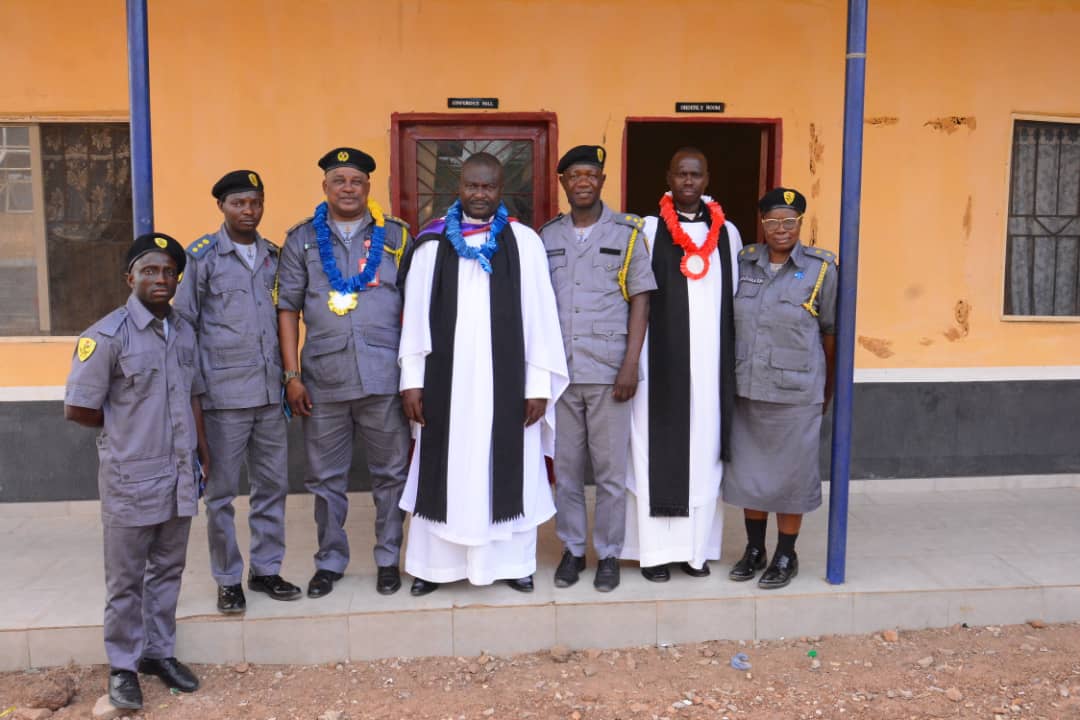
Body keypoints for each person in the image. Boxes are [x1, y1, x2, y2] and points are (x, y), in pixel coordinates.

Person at [397, 152, 569, 596]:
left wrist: (538, 385)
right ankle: (433, 567)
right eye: (471, 186)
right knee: (443, 470)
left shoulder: (525, 242)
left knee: (511, 469)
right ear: (459, 188)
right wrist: (412, 381)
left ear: (500, 190)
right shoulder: (432, 242)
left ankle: (514, 564)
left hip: (509, 386)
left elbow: (540, 317)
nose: (479, 194)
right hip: (446, 385)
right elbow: (415, 317)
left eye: (488, 187)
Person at [64, 233, 209, 711]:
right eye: (149, 271)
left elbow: (193, 395)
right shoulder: (106, 336)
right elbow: (79, 408)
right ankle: (123, 667)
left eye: (168, 272)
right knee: (126, 581)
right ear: (130, 278)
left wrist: (202, 451)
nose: (160, 279)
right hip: (131, 477)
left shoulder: (184, 331)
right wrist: (127, 429)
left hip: (180, 473)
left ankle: (158, 653)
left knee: (168, 569)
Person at [276, 147, 413, 598]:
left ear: (368, 187)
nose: (348, 188)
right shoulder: (302, 239)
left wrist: (415, 376)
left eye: (356, 181)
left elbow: (417, 307)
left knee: (391, 475)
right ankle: (330, 561)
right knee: (325, 479)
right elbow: (287, 308)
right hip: (324, 379)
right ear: (325, 187)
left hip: (383, 377)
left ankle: (388, 559)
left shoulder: (396, 236)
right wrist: (291, 375)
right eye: (339, 180)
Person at [173, 170, 301, 614]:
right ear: (222, 207)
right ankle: (228, 579)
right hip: (223, 399)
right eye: (239, 203)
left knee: (273, 488)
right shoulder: (202, 258)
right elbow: (184, 326)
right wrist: (194, 393)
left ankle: (266, 570)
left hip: (269, 397)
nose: (248, 211)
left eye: (255, 202)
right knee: (221, 496)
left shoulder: (273, 257)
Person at [621, 147, 743, 581]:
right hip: (658, 361)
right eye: (681, 174)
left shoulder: (727, 233)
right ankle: (653, 553)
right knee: (651, 451)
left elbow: (735, 298)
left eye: (696, 174)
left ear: (707, 179)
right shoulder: (648, 230)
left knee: (704, 455)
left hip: (710, 365)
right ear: (668, 177)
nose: (688, 181)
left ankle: (696, 551)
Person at [539, 144, 655, 592]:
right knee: (567, 471)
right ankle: (572, 550)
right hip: (562, 374)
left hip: (609, 374)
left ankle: (608, 553)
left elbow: (641, 299)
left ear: (602, 181)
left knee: (609, 473)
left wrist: (630, 364)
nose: (583, 182)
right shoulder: (548, 236)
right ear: (564, 183)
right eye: (575, 175)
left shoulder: (627, 233)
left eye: (591, 174)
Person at [724, 187, 837, 589]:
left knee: (791, 478)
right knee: (751, 476)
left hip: (796, 394)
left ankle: (786, 553)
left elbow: (830, 333)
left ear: (801, 223)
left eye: (789, 221)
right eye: (773, 221)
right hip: (747, 389)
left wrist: (825, 390)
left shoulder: (821, 269)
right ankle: (754, 549)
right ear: (762, 224)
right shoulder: (744, 262)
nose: (781, 229)